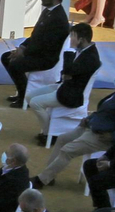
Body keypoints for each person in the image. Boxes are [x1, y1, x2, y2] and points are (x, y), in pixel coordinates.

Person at [28, 23, 102, 153]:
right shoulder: (86, 51)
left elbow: (68, 70)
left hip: (71, 94)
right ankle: (49, 129)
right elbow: (66, 72)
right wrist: (68, 74)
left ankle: (47, 134)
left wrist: (71, 50)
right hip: (65, 85)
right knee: (29, 96)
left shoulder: (90, 57)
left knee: (35, 103)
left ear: (81, 39)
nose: (71, 40)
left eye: (73, 37)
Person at [2, 0, 71, 107]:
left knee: (15, 65)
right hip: (37, 52)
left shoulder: (58, 19)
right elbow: (35, 35)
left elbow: (46, 45)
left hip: (46, 58)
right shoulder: (48, 12)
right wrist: (22, 47)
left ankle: (24, 97)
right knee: (6, 57)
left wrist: (24, 53)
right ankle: (21, 92)